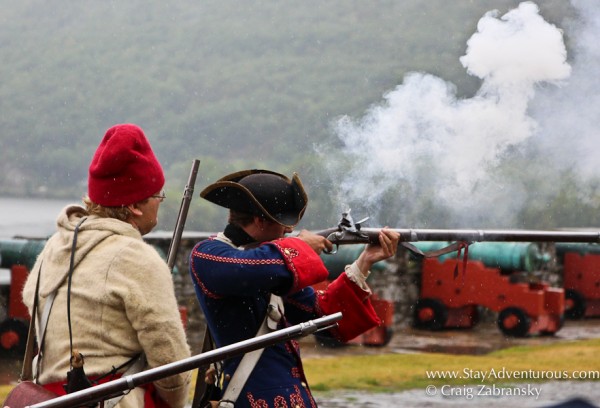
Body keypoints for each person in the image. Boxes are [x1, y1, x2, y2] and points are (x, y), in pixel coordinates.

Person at [189, 169, 400, 407]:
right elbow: (253, 269)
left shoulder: (274, 270)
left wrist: (365, 261)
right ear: (259, 220)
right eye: (283, 223)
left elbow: (322, 315)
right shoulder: (208, 255)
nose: (288, 230)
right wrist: (300, 246)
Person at [22, 124, 192, 407]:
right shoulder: (138, 258)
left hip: (50, 399)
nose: (159, 204)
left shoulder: (55, 245)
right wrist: (177, 399)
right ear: (136, 206)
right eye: (157, 196)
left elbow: (31, 300)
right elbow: (169, 361)